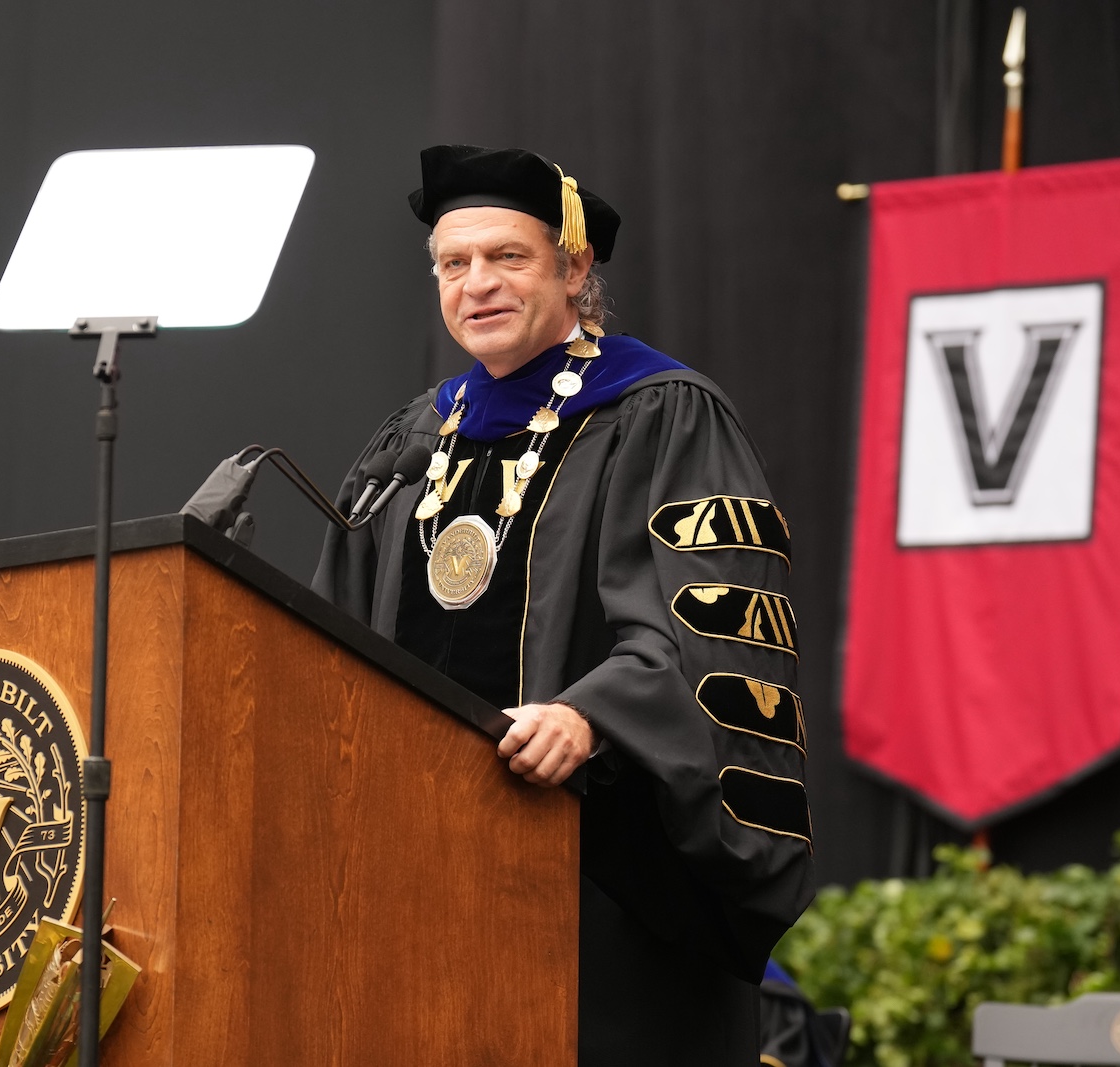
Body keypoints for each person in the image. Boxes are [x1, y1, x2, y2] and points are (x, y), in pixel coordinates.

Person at [312, 144, 815, 1065]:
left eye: (509, 258)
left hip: (602, 883)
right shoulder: (413, 440)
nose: (478, 285)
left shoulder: (663, 413)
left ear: (575, 269)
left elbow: (718, 635)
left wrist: (593, 715)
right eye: (454, 264)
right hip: (415, 878)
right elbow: (330, 642)